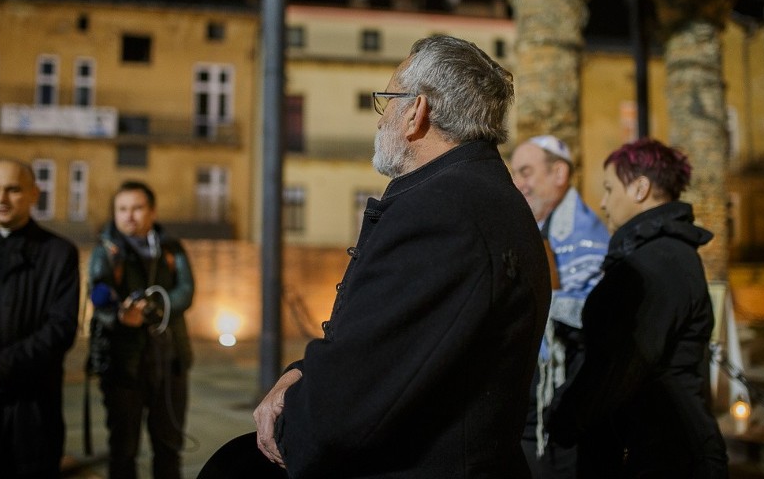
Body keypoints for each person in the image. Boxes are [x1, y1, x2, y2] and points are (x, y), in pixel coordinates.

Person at [222, 35, 552, 478]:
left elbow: (346, 405)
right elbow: (391, 349)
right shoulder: (483, 197)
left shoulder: (442, 214)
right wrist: (301, 374)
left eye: (388, 101)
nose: (381, 121)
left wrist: (292, 414)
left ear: (417, 111)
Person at [546, 138, 728, 478]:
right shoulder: (662, 254)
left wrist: (564, 418)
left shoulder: (656, 262)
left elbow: (622, 363)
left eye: (610, 188)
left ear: (640, 188)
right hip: (660, 447)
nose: (602, 203)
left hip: (664, 455)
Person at [0, 159, 80, 478]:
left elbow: (60, 330)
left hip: (28, 413)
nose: (1, 199)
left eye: (12, 190)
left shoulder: (58, 253)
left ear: (34, 194)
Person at [510, 136, 609, 477]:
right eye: (515, 175)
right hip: (535, 391)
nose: (519, 183)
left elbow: (592, 313)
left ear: (559, 173)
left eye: (526, 172)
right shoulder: (537, 225)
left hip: (562, 391)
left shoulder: (584, 232)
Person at [87, 181, 195, 479]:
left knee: (169, 448)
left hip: (170, 361)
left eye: (136, 208)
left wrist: (153, 309)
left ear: (152, 211)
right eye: (122, 209)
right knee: (123, 451)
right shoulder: (105, 252)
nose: (129, 216)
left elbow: (185, 292)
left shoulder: (171, 249)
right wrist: (121, 316)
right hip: (124, 366)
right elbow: (99, 296)